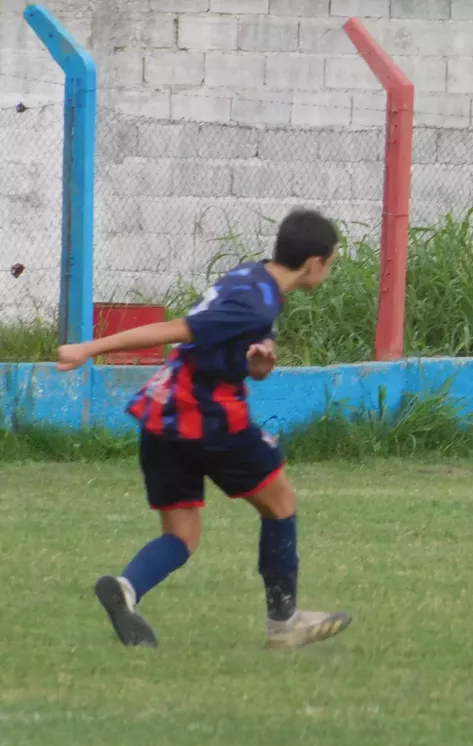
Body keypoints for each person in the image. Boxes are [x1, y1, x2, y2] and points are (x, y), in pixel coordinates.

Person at [56, 209, 352, 650]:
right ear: (314, 262)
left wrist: (257, 362)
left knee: (181, 536)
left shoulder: (251, 279)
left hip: (163, 413)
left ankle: (127, 588)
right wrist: (89, 348)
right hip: (207, 417)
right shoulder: (253, 301)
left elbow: (243, 347)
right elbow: (177, 330)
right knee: (281, 503)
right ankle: (284, 623)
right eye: (330, 261)